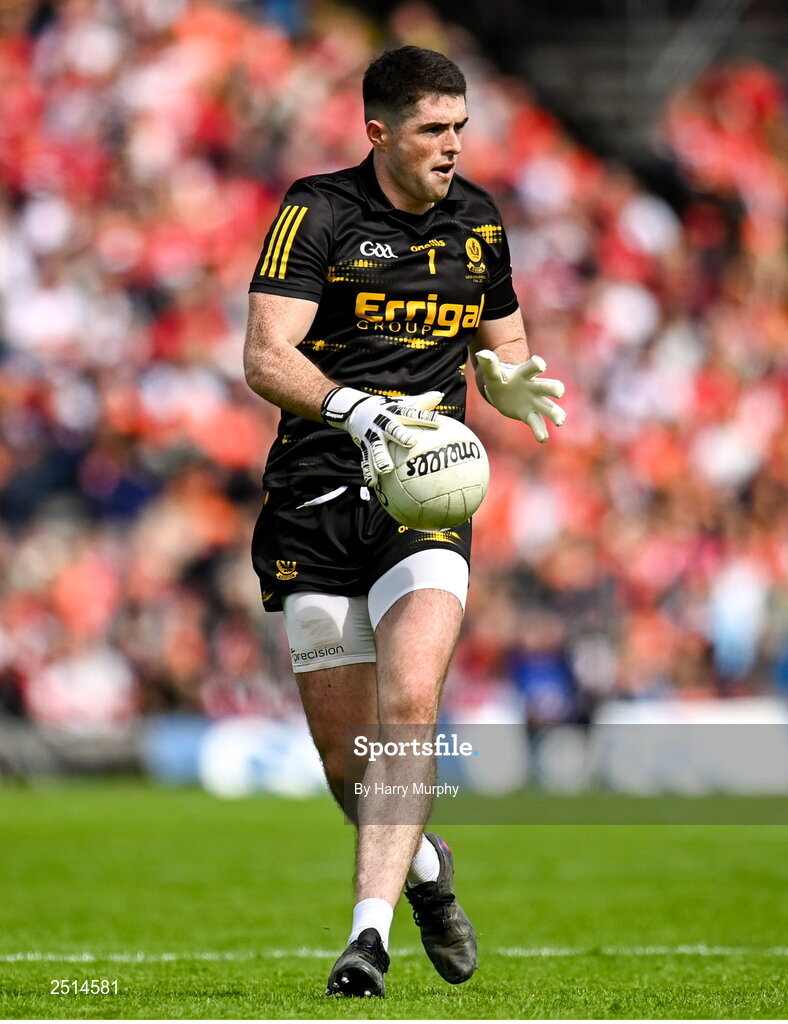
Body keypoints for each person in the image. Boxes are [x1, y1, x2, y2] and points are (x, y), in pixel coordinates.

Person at [243, 45, 566, 998]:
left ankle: (366, 941)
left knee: (411, 699)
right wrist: (355, 407)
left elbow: (505, 350)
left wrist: (505, 379)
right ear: (379, 131)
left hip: (425, 497)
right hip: (314, 496)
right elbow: (267, 355)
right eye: (434, 128)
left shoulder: (479, 223)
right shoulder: (318, 211)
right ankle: (426, 872)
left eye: (461, 127)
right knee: (351, 764)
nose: (454, 146)